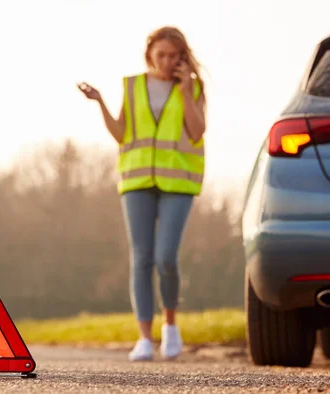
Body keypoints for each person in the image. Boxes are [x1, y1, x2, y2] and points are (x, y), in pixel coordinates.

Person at [77, 26, 207, 361]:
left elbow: (196, 132)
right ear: (149, 54)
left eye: (173, 56)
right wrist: (100, 103)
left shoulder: (192, 87)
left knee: (166, 257)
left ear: (182, 58)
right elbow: (121, 134)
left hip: (178, 183)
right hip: (136, 182)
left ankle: (171, 326)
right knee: (141, 259)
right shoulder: (133, 86)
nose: (166, 61)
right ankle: (145, 339)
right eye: (161, 54)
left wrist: (187, 89)